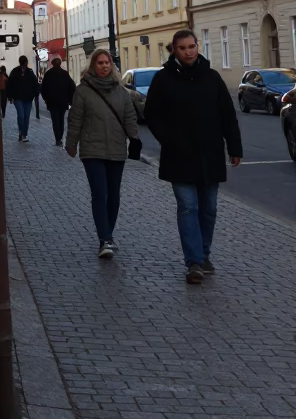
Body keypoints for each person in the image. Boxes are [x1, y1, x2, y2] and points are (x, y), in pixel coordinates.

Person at [143, 29, 242, 285]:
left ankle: (204, 254)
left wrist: (235, 147)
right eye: (182, 48)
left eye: (191, 46)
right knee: (188, 207)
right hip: (179, 156)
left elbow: (227, 115)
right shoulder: (163, 80)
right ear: (174, 51)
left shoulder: (212, 77)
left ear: (197, 47)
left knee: (208, 209)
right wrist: (169, 139)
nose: (188, 51)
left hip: (209, 154)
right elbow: (152, 115)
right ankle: (194, 262)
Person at [65, 49, 137, 259]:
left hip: (116, 149)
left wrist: (135, 140)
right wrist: (71, 143)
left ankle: (108, 233)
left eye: (107, 63)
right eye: (100, 63)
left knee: (114, 196)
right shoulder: (83, 91)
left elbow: (129, 117)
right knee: (100, 194)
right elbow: (75, 119)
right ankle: (104, 239)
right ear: (92, 66)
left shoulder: (121, 92)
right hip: (92, 150)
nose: (104, 66)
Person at [40, 56, 76, 146]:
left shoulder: (48, 74)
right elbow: (72, 87)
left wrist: (46, 98)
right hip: (63, 101)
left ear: (52, 64)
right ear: (60, 64)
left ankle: (58, 138)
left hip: (52, 101)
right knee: (61, 119)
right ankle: (60, 137)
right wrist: (70, 99)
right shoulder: (65, 74)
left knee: (55, 120)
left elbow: (42, 88)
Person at [6, 55, 39, 142]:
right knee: (22, 115)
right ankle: (22, 131)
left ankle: (24, 134)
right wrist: (10, 96)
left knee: (26, 116)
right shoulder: (15, 71)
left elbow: (35, 84)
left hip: (28, 98)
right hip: (18, 97)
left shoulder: (29, 72)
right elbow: (10, 84)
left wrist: (34, 94)